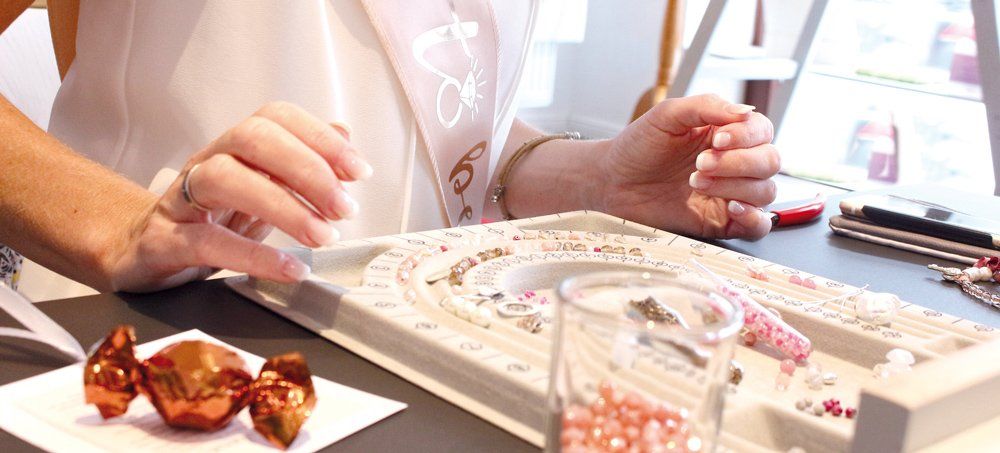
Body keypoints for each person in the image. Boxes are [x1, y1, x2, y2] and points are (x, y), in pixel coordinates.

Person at [0, 1, 779, 294]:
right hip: (154, 354)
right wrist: (118, 223)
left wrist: (595, 180)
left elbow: (430, 115)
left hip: (411, 366)